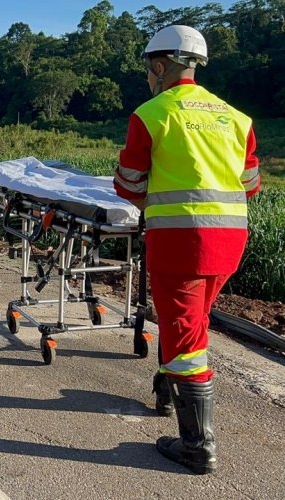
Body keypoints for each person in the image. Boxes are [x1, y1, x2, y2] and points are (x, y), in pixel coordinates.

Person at [113, 25, 260, 474]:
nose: (148, 78)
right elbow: (250, 183)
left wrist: (151, 199)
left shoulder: (153, 114)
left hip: (180, 240)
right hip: (229, 240)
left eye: (149, 70)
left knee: (184, 334)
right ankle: (169, 386)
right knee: (192, 323)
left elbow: (129, 183)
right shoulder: (236, 118)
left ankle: (197, 445)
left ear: (160, 66)